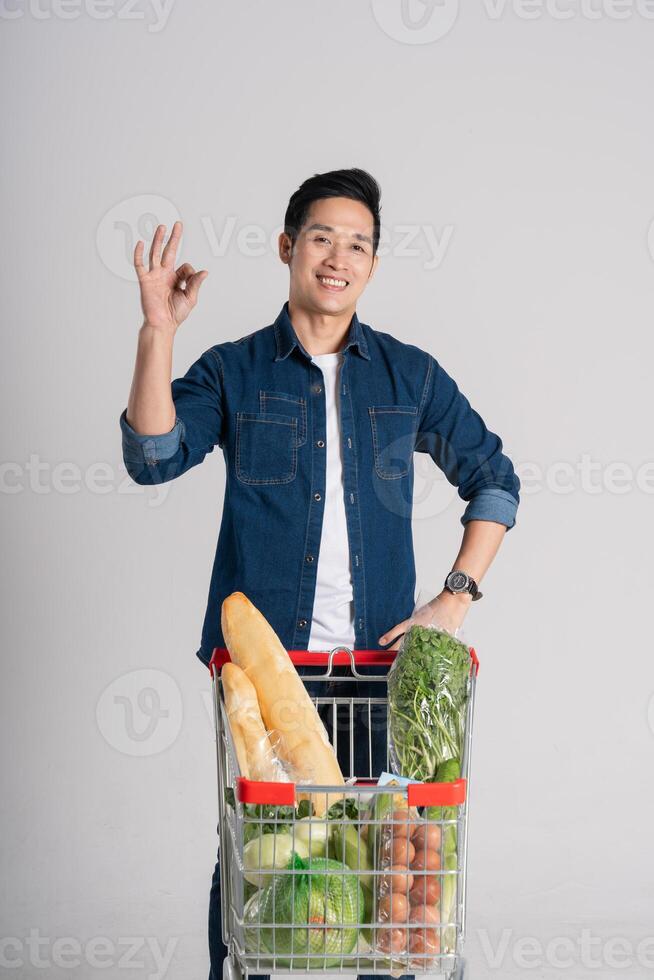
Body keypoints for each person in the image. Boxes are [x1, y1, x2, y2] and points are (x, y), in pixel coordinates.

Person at [120, 168, 520, 980]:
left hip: (379, 671)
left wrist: (455, 598)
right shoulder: (236, 370)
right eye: (321, 238)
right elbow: (153, 455)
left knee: (385, 868)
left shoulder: (408, 375)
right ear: (287, 248)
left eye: (358, 243)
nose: (339, 257)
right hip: (268, 678)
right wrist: (157, 330)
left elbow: (496, 480)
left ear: (373, 262)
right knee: (257, 863)